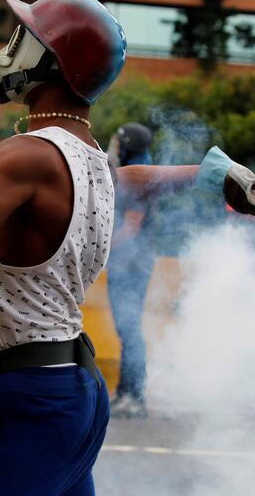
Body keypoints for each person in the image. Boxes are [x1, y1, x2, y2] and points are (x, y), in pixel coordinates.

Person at [0, 0, 255, 495]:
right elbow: (128, 179)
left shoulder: (24, 155)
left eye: (22, 38)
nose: (7, 50)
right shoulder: (88, 160)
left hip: (25, 397)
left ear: (52, 61)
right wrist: (209, 174)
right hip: (72, 391)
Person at [105, 123, 156, 419]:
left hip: (131, 264)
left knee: (130, 330)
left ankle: (134, 396)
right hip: (132, 263)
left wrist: (99, 248)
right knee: (128, 330)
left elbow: (131, 226)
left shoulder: (138, 176)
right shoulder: (141, 169)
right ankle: (126, 393)